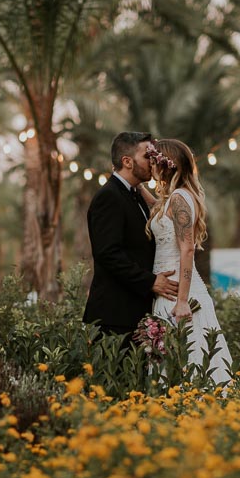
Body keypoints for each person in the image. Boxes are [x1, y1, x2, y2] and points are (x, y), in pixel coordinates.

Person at [140, 138, 231, 386]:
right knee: (173, 362)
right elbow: (160, 210)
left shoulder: (180, 198)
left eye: (153, 160)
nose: (150, 165)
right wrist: (138, 187)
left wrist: (182, 301)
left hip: (178, 293)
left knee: (190, 360)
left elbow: (187, 248)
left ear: (165, 165)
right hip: (166, 288)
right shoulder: (175, 198)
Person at [83, 131, 179, 339]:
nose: (153, 161)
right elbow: (108, 253)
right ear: (127, 161)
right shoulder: (108, 197)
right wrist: (150, 282)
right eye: (147, 156)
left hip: (137, 312)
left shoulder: (135, 194)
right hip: (115, 317)